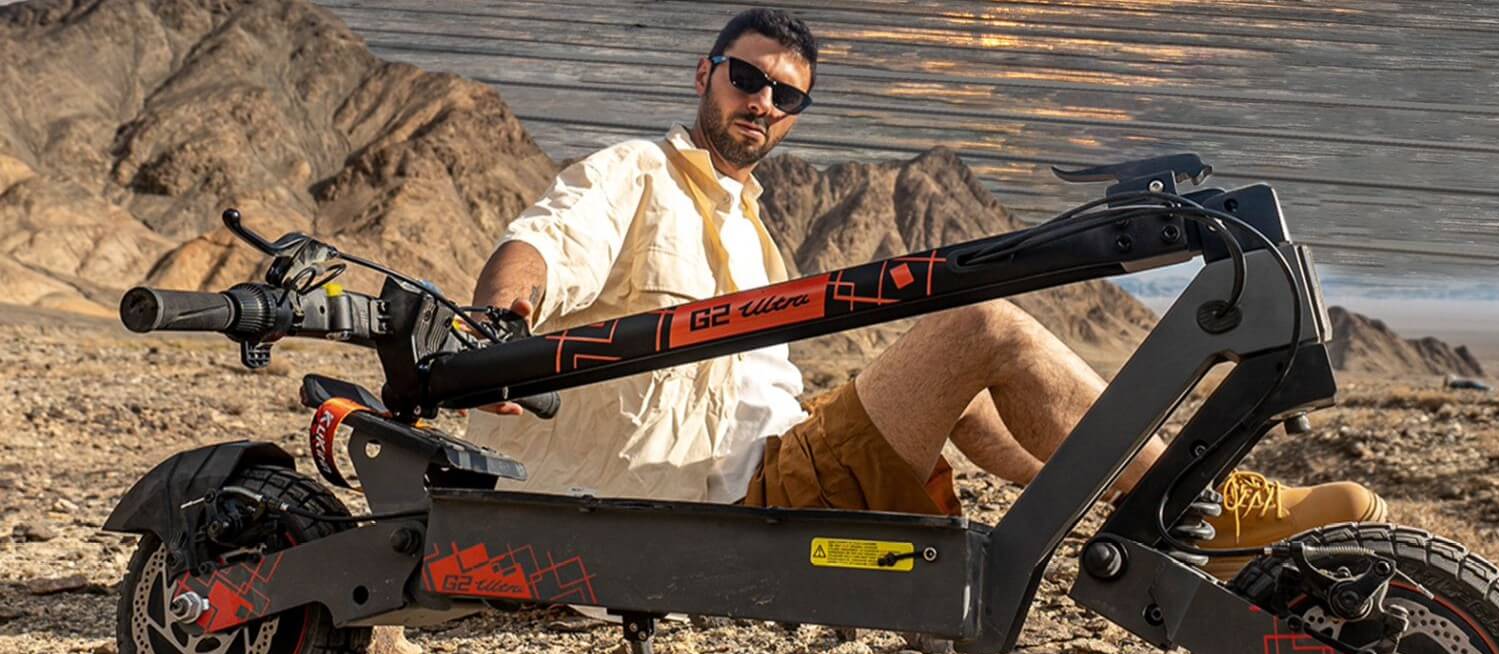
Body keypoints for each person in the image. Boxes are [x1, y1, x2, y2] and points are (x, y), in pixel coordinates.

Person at [466, 7, 1387, 583]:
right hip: (732, 498)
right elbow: (543, 245)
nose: (763, 103)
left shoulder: (751, 227)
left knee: (965, 390)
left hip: (776, 457)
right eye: (746, 78)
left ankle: (1143, 505)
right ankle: (1204, 510)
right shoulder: (633, 172)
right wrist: (499, 330)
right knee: (981, 324)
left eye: (786, 96)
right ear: (705, 74)